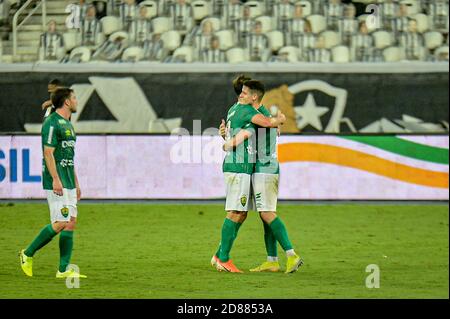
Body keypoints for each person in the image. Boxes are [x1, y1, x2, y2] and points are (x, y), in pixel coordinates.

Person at [222, 80, 303, 274]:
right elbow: (271, 125)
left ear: (254, 97)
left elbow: (258, 129)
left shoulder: (258, 117)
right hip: (263, 168)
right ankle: (272, 260)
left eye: (244, 93)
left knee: (267, 213)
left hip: (264, 169)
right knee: (265, 213)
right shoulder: (259, 115)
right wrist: (225, 133)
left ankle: (292, 255)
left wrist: (228, 143)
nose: (240, 96)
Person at [211, 76, 286, 273]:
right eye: (243, 91)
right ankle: (223, 259)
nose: (243, 94)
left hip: (242, 167)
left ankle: (220, 254)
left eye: (245, 91)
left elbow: (236, 132)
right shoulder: (247, 111)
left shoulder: (233, 110)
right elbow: (265, 124)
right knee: (236, 212)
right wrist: (279, 120)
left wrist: (225, 137)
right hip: (239, 167)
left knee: (241, 213)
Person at [19, 88, 86, 279]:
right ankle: (27, 254)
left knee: (71, 222)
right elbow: (48, 153)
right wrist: (56, 179)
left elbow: (68, 155)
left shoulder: (68, 124)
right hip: (56, 181)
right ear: (66, 102)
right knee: (61, 222)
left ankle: (63, 270)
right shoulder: (51, 123)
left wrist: (76, 182)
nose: (76, 101)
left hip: (69, 181)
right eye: (74, 98)